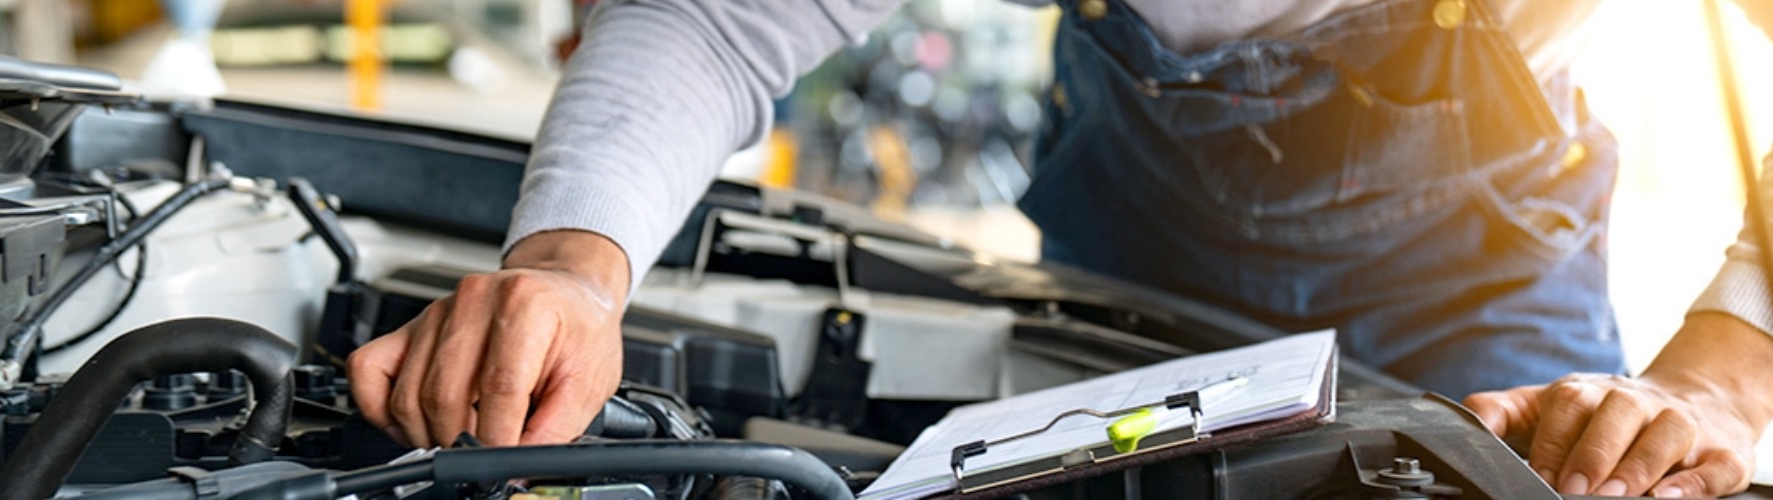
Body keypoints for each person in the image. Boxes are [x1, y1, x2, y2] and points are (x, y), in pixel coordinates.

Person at [344, 0, 1773, 496]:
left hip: (1484, 278)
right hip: (1131, 250)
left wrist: (1719, 381)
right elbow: (718, 23)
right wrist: (570, 270)